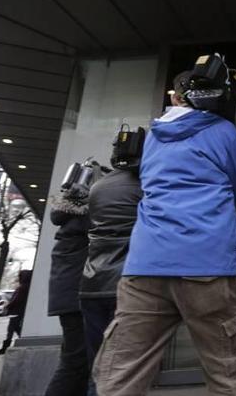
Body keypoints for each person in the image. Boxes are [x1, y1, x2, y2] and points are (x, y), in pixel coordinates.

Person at [93, 69, 236, 396]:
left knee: (120, 377)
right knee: (226, 373)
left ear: (174, 98)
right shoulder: (225, 132)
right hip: (206, 265)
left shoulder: (153, 136)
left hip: (145, 267)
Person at [79, 127, 144, 395]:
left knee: (99, 364)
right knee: (124, 369)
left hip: (91, 282)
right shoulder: (146, 186)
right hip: (126, 283)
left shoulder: (97, 187)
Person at [44, 163, 99, 396]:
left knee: (75, 359)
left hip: (68, 299)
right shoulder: (85, 222)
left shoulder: (67, 222)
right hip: (78, 298)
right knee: (77, 362)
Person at [0, 270, 32, 355]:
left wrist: (8, 306)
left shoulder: (22, 288)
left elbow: (16, 300)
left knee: (12, 328)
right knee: (15, 328)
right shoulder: (28, 287)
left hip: (16, 311)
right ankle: (10, 344)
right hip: (20, 311)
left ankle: (6, 346)